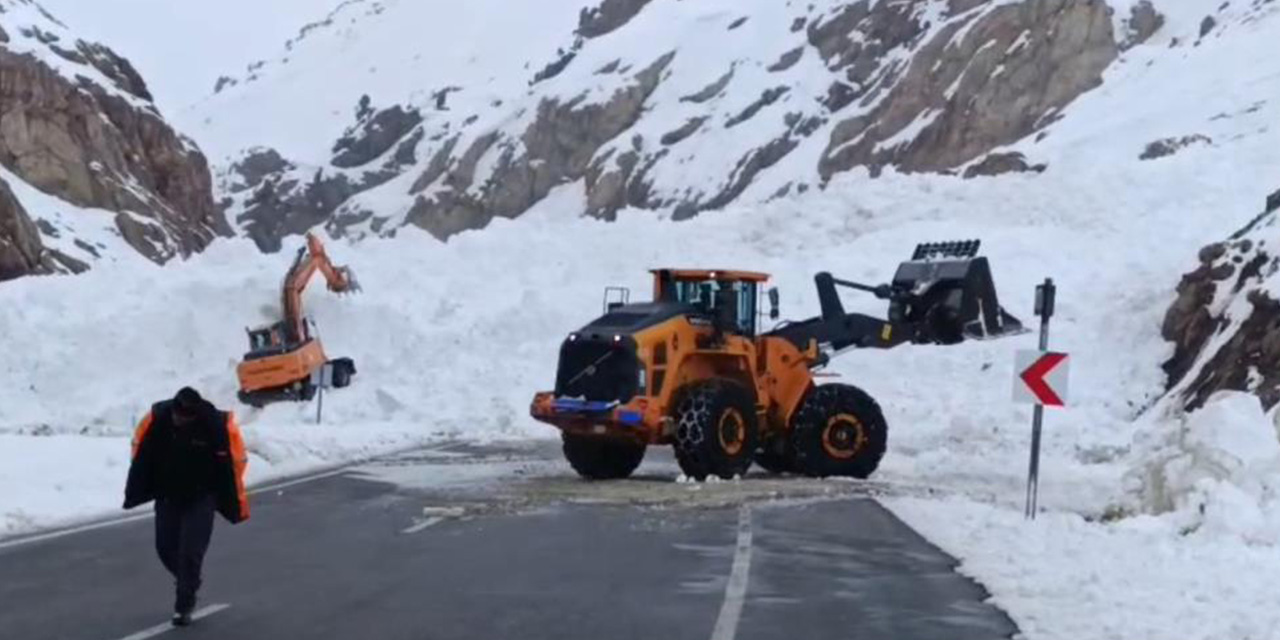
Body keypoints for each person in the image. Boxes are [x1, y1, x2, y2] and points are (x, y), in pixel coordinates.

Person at [123, 387, 250, 626]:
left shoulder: (213, 426)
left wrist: (229, 499)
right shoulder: (160, 421)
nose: (180, 420)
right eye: (177, 415)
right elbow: (142, 457)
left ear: (195, 414)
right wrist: (137, 488)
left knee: (190, 551)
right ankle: (189, 580)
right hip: (168, 495)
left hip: (202, 498)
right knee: (164, 548)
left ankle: (183, 605)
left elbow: (232, 464)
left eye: (186, 417)